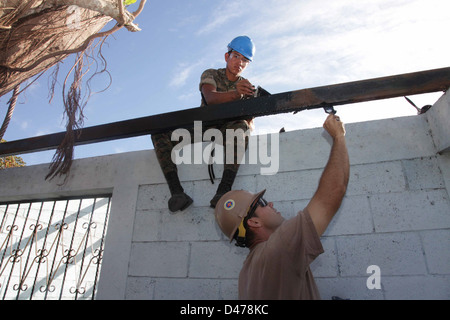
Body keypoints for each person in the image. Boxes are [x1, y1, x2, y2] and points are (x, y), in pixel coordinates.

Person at [214, 113, 350, 299]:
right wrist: (338, 136)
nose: (270, 203)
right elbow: (334, 191)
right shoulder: (280, 249)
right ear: (253, 222)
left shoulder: (247, 272)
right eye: (261, 203)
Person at [151, 36, 257, 212]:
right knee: (158, 132)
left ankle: (223, 191)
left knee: (241, 128)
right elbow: (211, 98)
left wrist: (251, 110)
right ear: (227, 56)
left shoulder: (246, 86)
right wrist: (236, 95)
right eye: (236, 56)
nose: (240, 62)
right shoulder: (211, 74)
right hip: (205, 126)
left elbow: (249, 125)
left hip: (228, 130)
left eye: (245, 60)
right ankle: (177, 193)